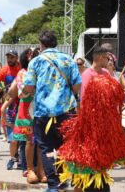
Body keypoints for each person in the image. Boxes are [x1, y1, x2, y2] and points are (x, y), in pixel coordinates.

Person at [23, 30, 82, 191]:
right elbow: (77, 86)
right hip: (66, 112)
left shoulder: (35, 62)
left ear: (41, 44)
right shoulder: (68, 60)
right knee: (65, 147)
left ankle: (54, 185)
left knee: (47, 148)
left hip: (43, 112)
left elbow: (28, 87)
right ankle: (64, 181)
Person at [8, 48, 47, 184]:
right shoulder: (22, 73)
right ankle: (30, 169)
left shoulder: (44, 72)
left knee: (41, 141)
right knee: (30, 140)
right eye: (32, 57)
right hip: (27, 110)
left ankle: (41, 170)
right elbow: (22, 93)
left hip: (42, 108)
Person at [0, 49, 21, 170]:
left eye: (12, 57)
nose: (10, 59)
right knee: (13, 139)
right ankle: (13, 157)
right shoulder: (4, 69)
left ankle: (18, 158)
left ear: (17, 58)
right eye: (8, 57)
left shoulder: (22, 68)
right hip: (10, 106)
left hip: (23, 105)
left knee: (22, 136)